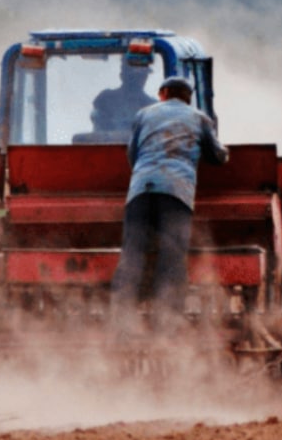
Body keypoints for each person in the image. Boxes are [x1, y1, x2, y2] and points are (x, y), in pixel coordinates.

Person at [109, 76, 229, 331]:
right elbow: (217, 156)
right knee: (172, 257)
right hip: (176, 193)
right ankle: (168, 324)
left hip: (140, 191)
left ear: (162, 93)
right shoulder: (199, 118)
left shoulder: (143, 114)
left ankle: (121, 322)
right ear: (188, 97)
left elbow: (132, 154)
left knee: (132, 254)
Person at [90, 58, 157, 132]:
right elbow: (99, 133)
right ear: (122, 75)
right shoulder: (106, 99)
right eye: (132, 75)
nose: (137, 79)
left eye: (141, 75)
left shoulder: (152, 107)